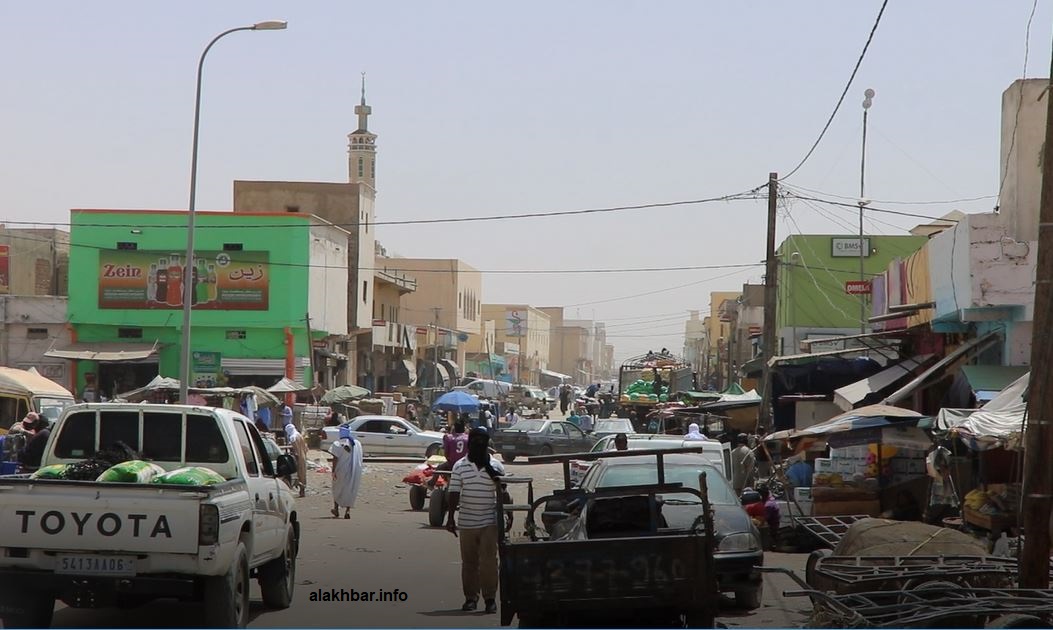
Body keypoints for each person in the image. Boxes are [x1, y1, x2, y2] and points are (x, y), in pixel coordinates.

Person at [446, 428, 505, 614]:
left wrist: (507, 515)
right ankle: (470, 598)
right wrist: (450, 518)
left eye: (482, 441)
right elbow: (454, 492)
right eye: (475, 440)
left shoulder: (496, 467)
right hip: (467, 522)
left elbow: (503, 493)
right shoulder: (460, 466)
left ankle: (489, 599)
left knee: (488, 562)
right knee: (469, 563)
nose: (478, 444)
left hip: (489, 521)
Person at [329, 424, 363, 519]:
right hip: (353, 470)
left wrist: (333, 471)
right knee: (350, 489)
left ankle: (336, 509)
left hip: (341, 470)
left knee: (337, 488)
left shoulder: (337, 443)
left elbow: (335, 458)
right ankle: (348, 510)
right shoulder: (357, 443)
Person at [283, 407, 308, 498]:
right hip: (303, 456)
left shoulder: (293, 438)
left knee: (299, 474)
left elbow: (294, 450)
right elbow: (306, 448)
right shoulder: (299, 435)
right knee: (303, 474)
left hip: (298, 458)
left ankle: (301, 491)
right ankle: (302, 491)